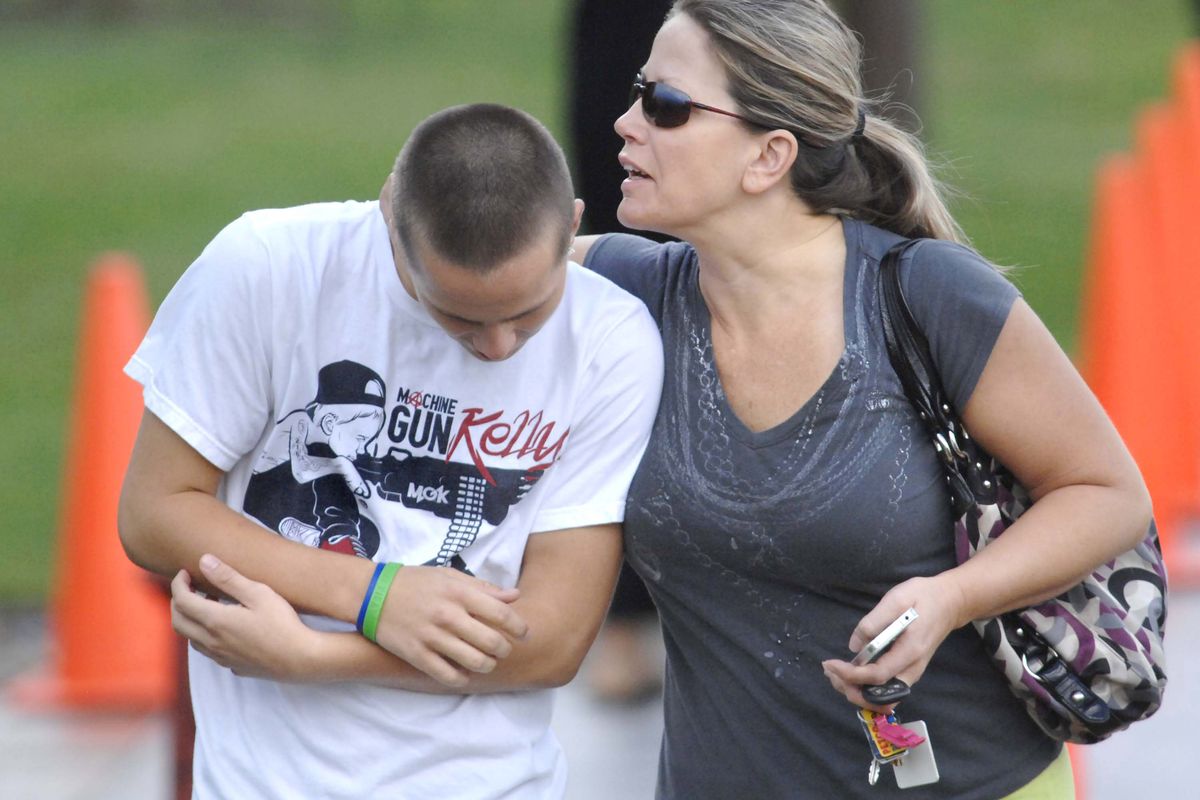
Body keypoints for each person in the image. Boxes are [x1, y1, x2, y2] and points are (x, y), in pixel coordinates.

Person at [566, 0, 1151, 797]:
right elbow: (430, 247)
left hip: (973, 783)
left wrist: (951, 598)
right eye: (639, 92)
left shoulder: (925, 295)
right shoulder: (622, 292)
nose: (626, 122)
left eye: (665, 106)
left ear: (769, 155)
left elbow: (1107, 493)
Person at [117, 103, 663, 799]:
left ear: (573, 226)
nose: (497, 347)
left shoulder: (612, 342)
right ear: (390, 225)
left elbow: (553, 642)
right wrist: (374, 595)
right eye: (459, 316)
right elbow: (154, 513)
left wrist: (316, 656)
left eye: (529, 311)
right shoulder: (267, 270)